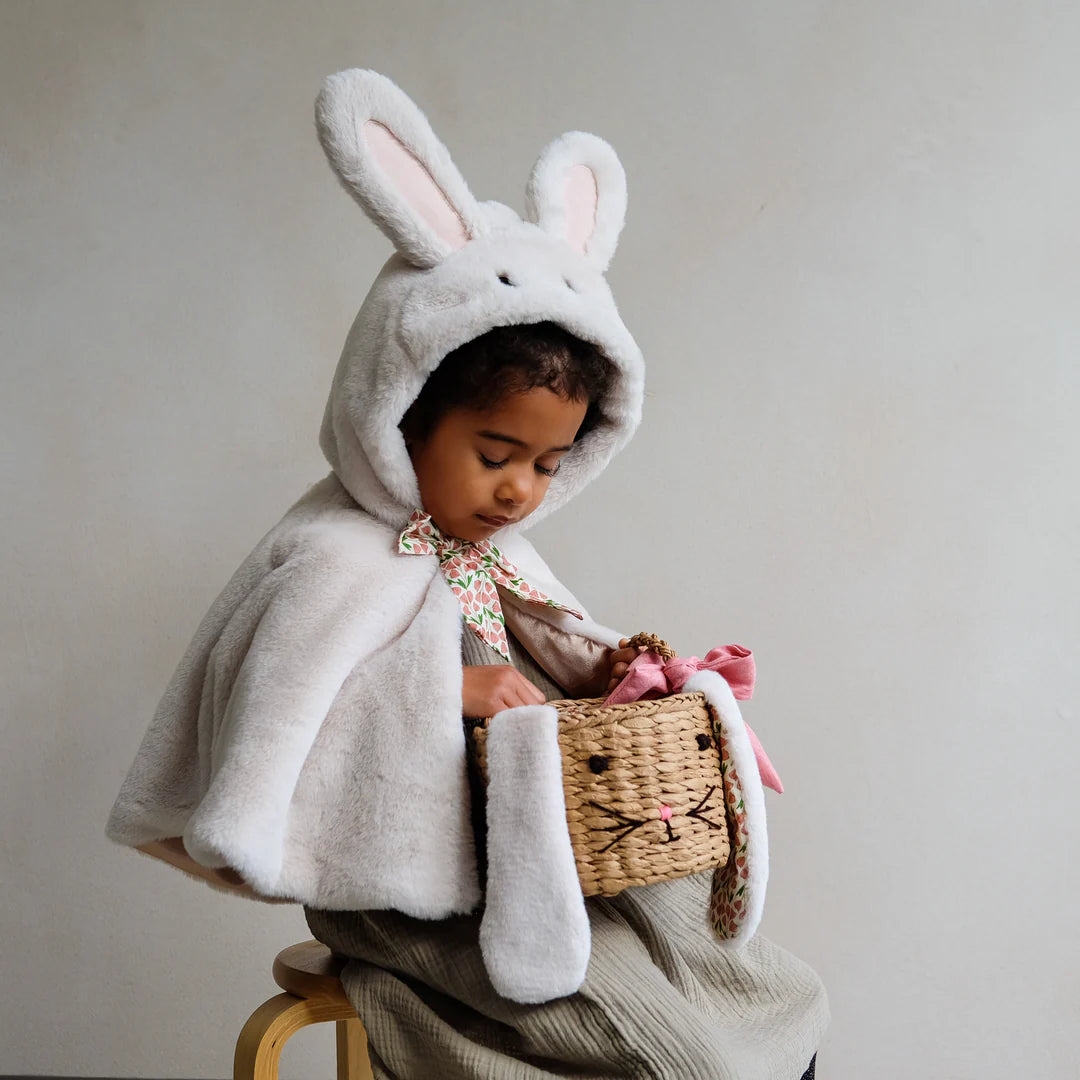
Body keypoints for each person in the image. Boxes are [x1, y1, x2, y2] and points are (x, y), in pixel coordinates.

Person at [106, 69, 828, 1079]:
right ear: (401, 416)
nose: (519, 489)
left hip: (526, 856)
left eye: (548, 464)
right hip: (400, 884)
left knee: (751, 984)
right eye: (495, 454)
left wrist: (618, 679)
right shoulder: (332, 556)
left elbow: (548, 647)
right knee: (659, 1042)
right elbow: (278, 717)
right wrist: (446, 691)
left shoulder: (494, 554)